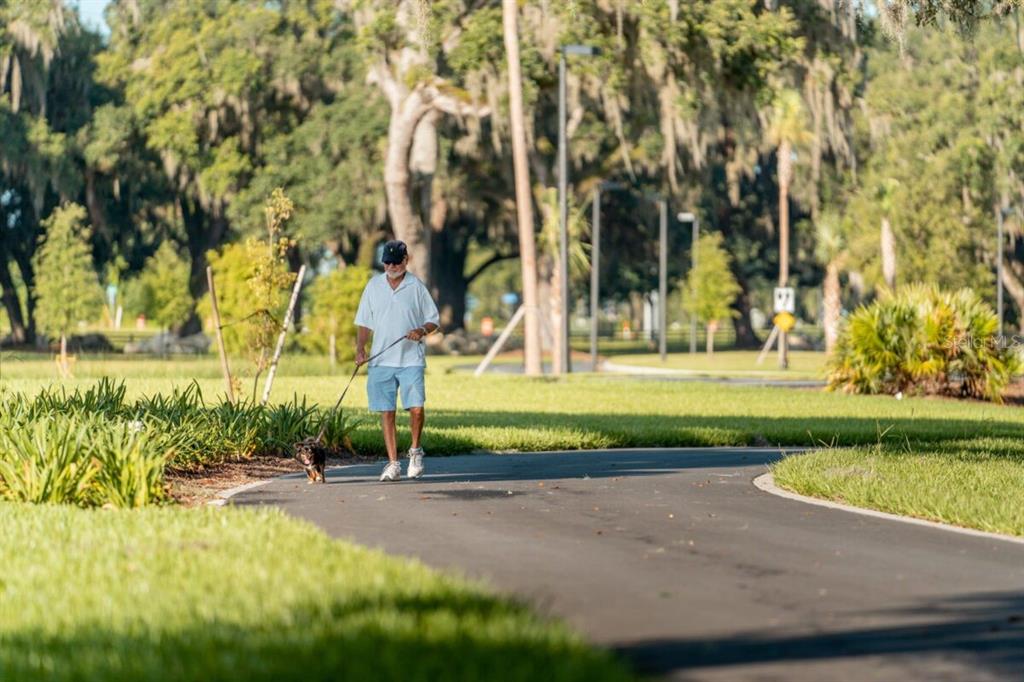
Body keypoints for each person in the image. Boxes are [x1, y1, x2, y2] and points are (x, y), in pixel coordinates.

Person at [354, 240, 440, 482]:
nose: (391, 266)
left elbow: (434, 319)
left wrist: (421, 330)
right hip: (381, 361)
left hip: (410, 359)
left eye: (396, 261)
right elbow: (364, 322)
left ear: (406, 260)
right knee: (387, 412)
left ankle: (415, 452)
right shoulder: (373, 286)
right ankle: (393, 463)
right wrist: (360, 349)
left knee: (416, 408)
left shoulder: (416, 287)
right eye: (387, 262)